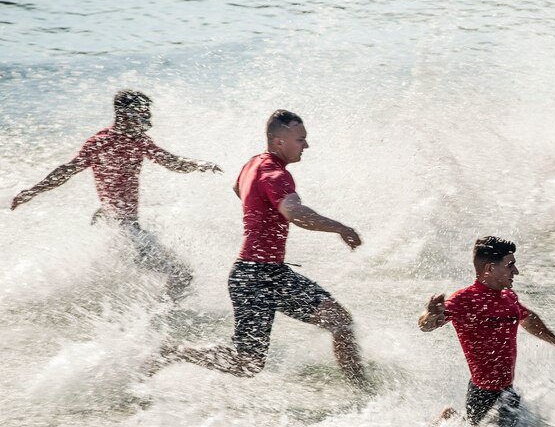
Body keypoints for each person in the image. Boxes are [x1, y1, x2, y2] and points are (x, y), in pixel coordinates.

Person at [162, 110, 367, 388]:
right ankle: (174, 352)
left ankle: (363, 388)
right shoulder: (275, 173)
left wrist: (260, 215)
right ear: (279, 141)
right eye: (300, 139)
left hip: (269, 274)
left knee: (339, 321)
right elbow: (294, 213)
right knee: (247, 363)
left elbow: (238, 188)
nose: (306, 145)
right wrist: (340, 228)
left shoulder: (253, 163)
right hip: (254, 279)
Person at [10, 90, 221, 299]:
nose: (147, 119)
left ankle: (131, 313)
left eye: (148, 113)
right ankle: (160, 318)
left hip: (119, 223)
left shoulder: (139, 141)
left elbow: (171, 162)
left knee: (158, 273)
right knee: (182, 274)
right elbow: (68, 170)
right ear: (124, 114)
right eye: (142, 113)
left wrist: (199, 165)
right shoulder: (101, 142)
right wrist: (32, 191)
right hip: (121, 229)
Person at [418, 236, 555, 427]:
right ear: (490, 268)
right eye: (510, 266)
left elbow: (527, 318)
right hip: (483, 391)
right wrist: (431, 314)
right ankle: (449, 417)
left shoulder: (508, 297)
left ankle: (451, 417)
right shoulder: (464, 299)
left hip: (507, 390)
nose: (515, 271)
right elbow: (427, 326)